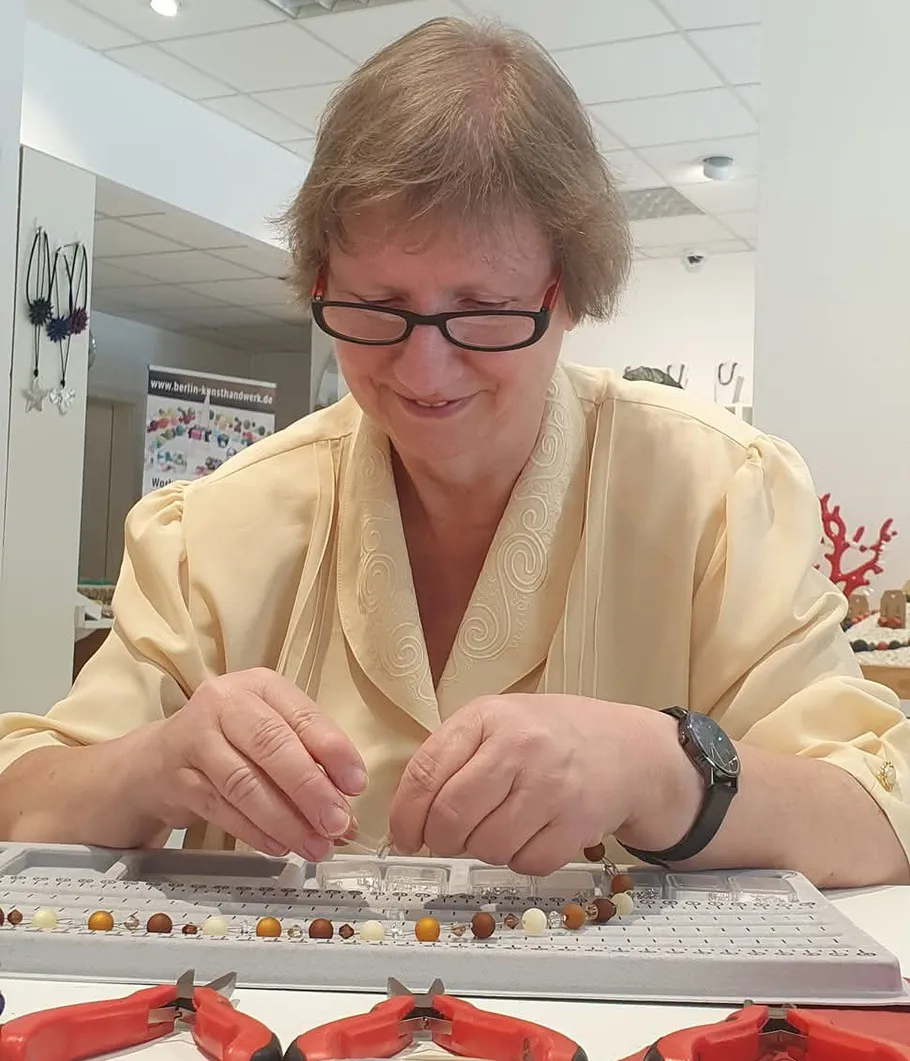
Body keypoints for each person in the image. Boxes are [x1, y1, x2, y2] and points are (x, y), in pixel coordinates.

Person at [1, 18, 908, 888]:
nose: (423, 369)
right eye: (376, 305)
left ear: (567, 297)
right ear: (320, 283)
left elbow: (876, 817)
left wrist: (658, 767)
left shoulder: (718, 495)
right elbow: (22, 800)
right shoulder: (213, 527)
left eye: (480, 310)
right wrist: (152, 766)